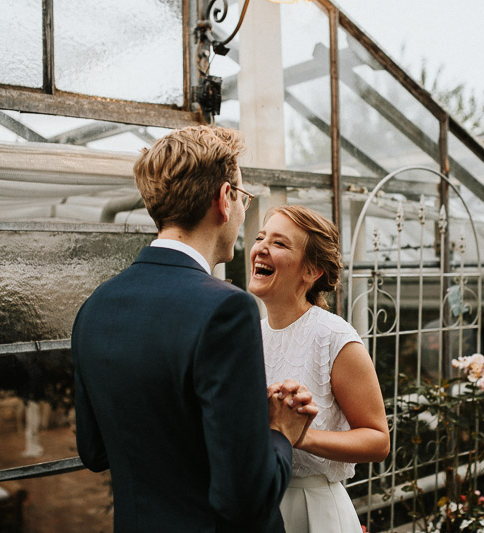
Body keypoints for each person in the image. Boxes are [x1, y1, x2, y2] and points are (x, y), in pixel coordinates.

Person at [72, 125, 317, 533]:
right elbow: (245, 502)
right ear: (225, 199)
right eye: (242, 197)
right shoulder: (226, 309)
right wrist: (280, 433)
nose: (242, 212)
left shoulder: (97, 305)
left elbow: (94, 451)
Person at [249, 205, 390, 533]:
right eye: (260, 237)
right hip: (258, 505)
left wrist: (301, 436)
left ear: (311, 271)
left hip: (315, 510)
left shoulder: (334, 337)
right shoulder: (248, 335)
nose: (261, 248)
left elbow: (378, 440)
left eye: (280, 243)